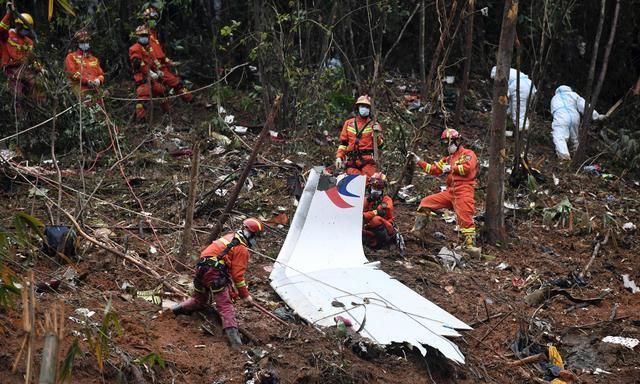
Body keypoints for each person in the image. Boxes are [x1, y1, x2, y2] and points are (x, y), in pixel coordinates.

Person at [171, 218, 264, 347]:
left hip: (200, 268)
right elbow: (238, 276)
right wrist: (245, 295)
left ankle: (171, 312)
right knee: (225, 306)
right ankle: (236, 345)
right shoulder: (242, 249)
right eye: (255, 236)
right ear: (251, 234)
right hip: (214, 273)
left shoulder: (229, 237)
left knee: (198, 300)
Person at [408, 128, 480, 257]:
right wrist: (418, 160)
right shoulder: (447, 158)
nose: (446, 146)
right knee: (426, 202)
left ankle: (469, 246)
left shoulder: (468, 154)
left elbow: (468, 168)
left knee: (465, 218)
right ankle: (418, 231)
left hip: (464, 190)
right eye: (444, 143)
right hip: (450, 191)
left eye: (448, 142)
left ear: (456, 141)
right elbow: (433, 169)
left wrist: (452, 168)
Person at [140, 6, 193, 103]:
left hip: (160, 66)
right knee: (175, 83)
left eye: (155, 19)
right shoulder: (143, 34)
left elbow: (160, 53)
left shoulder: (154, 34)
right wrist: (154, 69)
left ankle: (180, 105)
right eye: (151, 19)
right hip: (154, 68)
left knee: (163, 91)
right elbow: (146, 55)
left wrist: (169, 62)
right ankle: (190, 100)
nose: (154, 22)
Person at [550, 85, 605, 160]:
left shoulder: (554, 98)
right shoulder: (573, 95)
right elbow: (585, 106)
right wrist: (597, 116)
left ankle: (564, 158)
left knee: (559, 136)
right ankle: (577, 157)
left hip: (561, 116)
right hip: (574, 116)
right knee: (574, 139)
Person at [335, 95, 383, 177]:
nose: (365, 109)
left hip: (367, 161)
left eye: (367, 107)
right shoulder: (348, 123)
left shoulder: (374, 125)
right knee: (352, 184)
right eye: (362, 106)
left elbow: (380, 145)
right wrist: (339, 157)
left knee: (370, 183)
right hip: (352, 162)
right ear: (358, 108)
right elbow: (344, 144)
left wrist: (377, 135)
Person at [128, 25, 170, 121]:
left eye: (146, 35)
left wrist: (158, 70)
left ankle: (167, 114)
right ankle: (141, 120)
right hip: (141, 78)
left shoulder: (148, 48)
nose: (145, 37)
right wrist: (150, 73)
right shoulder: (135, 48)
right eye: (142, 35)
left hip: (151, 78)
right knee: (143, 98)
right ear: (138, 37)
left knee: (162, 91)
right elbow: (139, 64)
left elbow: (153, 61)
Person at [0, 2, 38, 99]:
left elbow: (31, 58)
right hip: (10, 70)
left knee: (36, 89)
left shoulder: (29, 42)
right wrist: (9, 14)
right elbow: (1, 29)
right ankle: (18, 112)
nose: (24, 32)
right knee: (17, 95)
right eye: (23, 28)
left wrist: (38, 67)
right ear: (18, 24)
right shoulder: (7, 35)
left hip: (25, 70)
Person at [490, 66, 536, 136]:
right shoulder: (511, 72)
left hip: (520, 87)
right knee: (520, 110)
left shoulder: (502, 76)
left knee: (518, 113)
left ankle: (521, 134)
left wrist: (496, 109)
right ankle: (515, 133)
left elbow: (504, 95)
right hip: (530, 85)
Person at [64, 30, 105, 103]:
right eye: (82, 42)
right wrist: (86, 81)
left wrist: (98, 80)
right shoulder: (71, 57)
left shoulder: (94, 59)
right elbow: (72, 73)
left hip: (95, 92)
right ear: (77, 43)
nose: (85, 44)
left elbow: (101, 74)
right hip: (80, 91)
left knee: (100, 112)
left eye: (87, 41)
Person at [362, 172, 395, 250]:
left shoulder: (386, 200)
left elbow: (380, 212)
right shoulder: (367, 199)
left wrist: (366, 215)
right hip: (368, 227)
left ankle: (385, 244)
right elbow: (359, 211)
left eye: (378, 188)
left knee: (375, 220)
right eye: (374, 187)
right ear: (370, 187)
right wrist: (368, 201)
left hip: (386, 226)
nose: (376, 190)